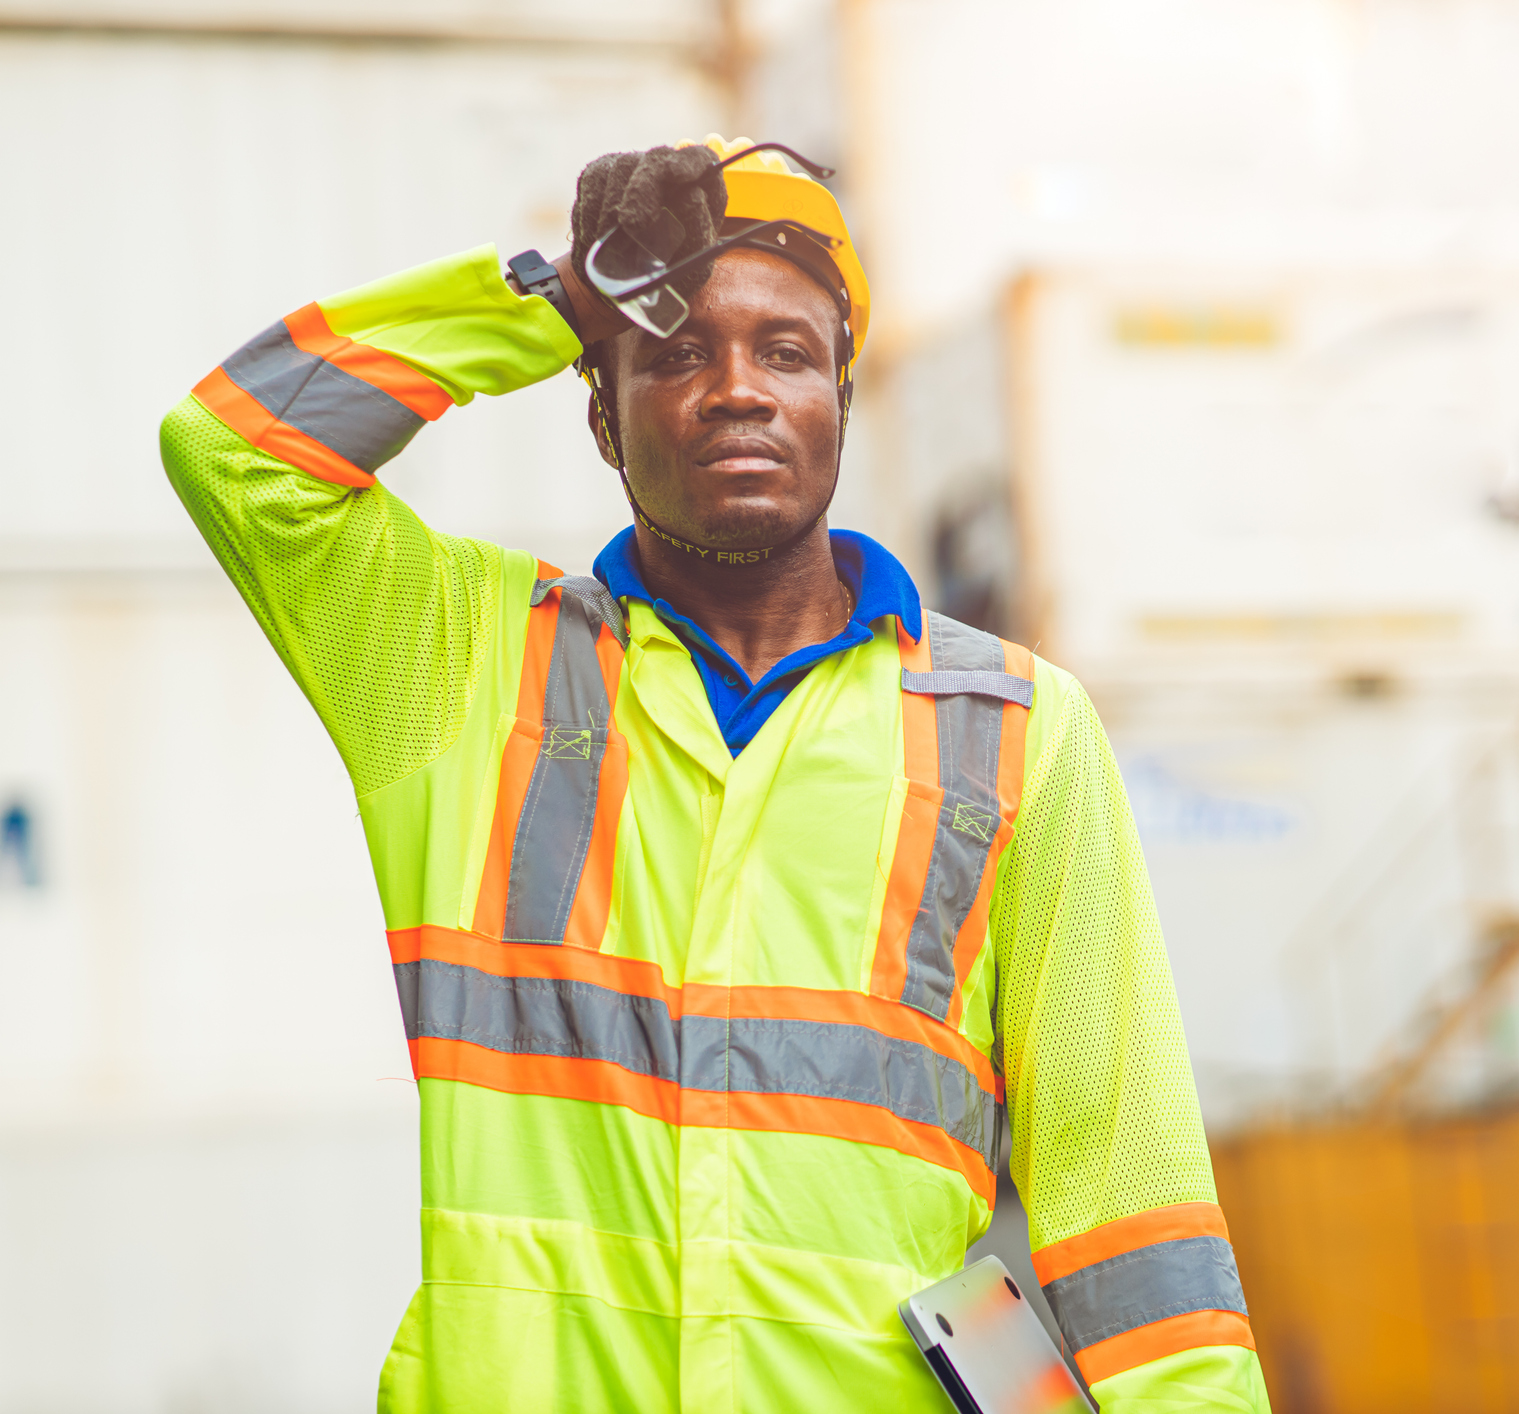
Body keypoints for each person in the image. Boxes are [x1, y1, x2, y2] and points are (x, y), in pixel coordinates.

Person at [160, 137, 1271, 1413]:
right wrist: (555, 296)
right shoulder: (462, 665)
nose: (738, 389)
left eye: (789, 352)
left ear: (842, 404)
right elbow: (232, 450)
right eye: (678, 352)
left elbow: (1128, 1199)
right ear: (598, 412)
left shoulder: (1018, 729)